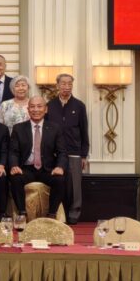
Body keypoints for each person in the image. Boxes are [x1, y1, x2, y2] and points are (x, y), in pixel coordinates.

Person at [9, 95, 67, 218]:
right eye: (32, 107)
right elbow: (13, 151)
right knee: (15, 178)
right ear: (28, 109)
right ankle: (22, 214)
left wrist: (60, 167)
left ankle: (52, 214)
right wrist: (14, 165)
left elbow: (62, 152)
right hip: (26, 168)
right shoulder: (18, 128)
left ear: (46, 109)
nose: (36, 110)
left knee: (60, 179)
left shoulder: (55, 128)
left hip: (47, 169)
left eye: (39, 106)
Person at [47, 74, 89, 224]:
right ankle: (59, 214)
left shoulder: (79, 106)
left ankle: (74, 214)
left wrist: (84, 155)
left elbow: (84, 131)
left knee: (74, 187)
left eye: (69, 84)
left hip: (74, 152)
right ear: (57, 85)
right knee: (59, 184)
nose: (66, 87)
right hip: (55, 153)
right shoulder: (50, 105)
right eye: (63, 83)